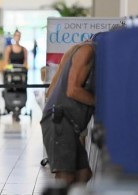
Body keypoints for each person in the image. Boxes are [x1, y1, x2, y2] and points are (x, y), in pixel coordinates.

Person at [40, 37, 96, 187]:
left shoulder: (90, 52)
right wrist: (100, 101)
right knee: (66, 177)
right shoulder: (87, 50)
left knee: (83, 173)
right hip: (60, 120)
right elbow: (73, 90)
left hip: (69, 122)